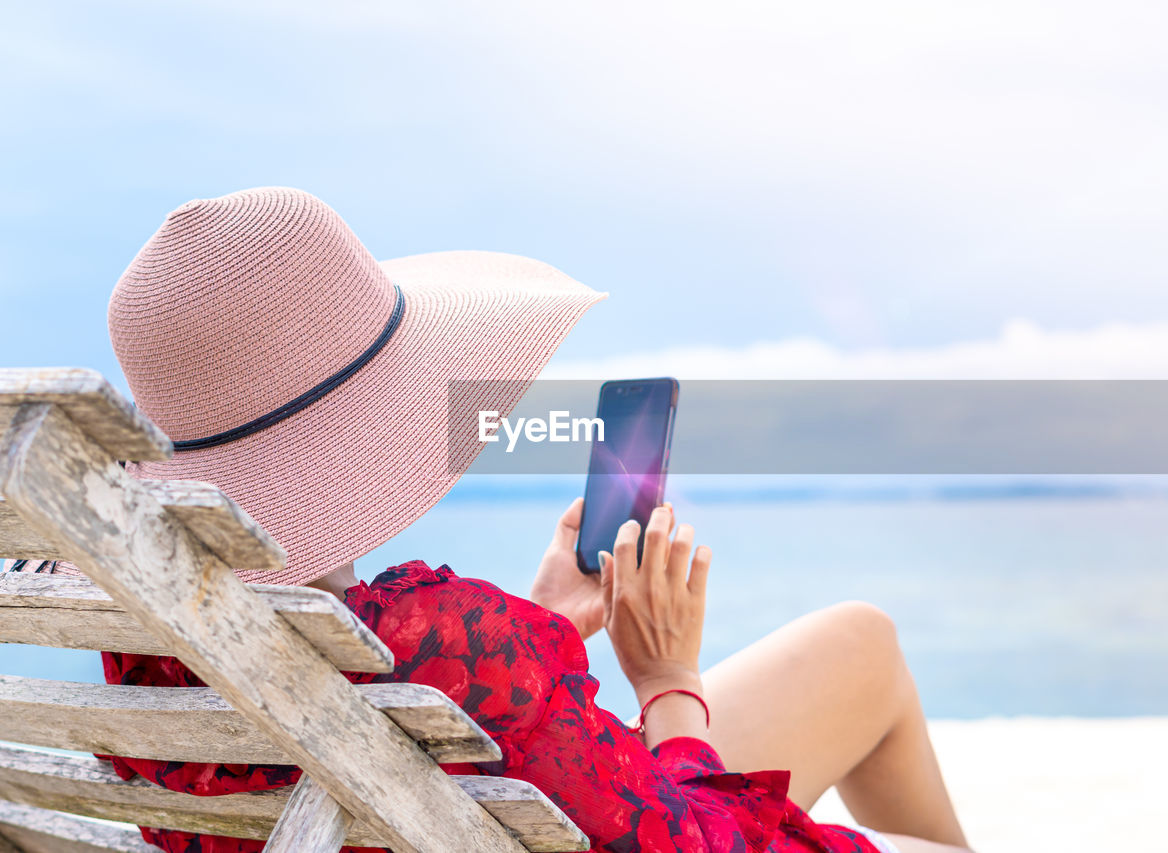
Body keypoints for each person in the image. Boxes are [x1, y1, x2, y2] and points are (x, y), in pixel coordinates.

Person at [84, 187, 970, 853]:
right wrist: (667, 679)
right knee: (869, 643)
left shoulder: (154, 662)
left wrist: (542, 626)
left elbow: (434, 720)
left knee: (859, 640)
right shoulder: (457, 646)